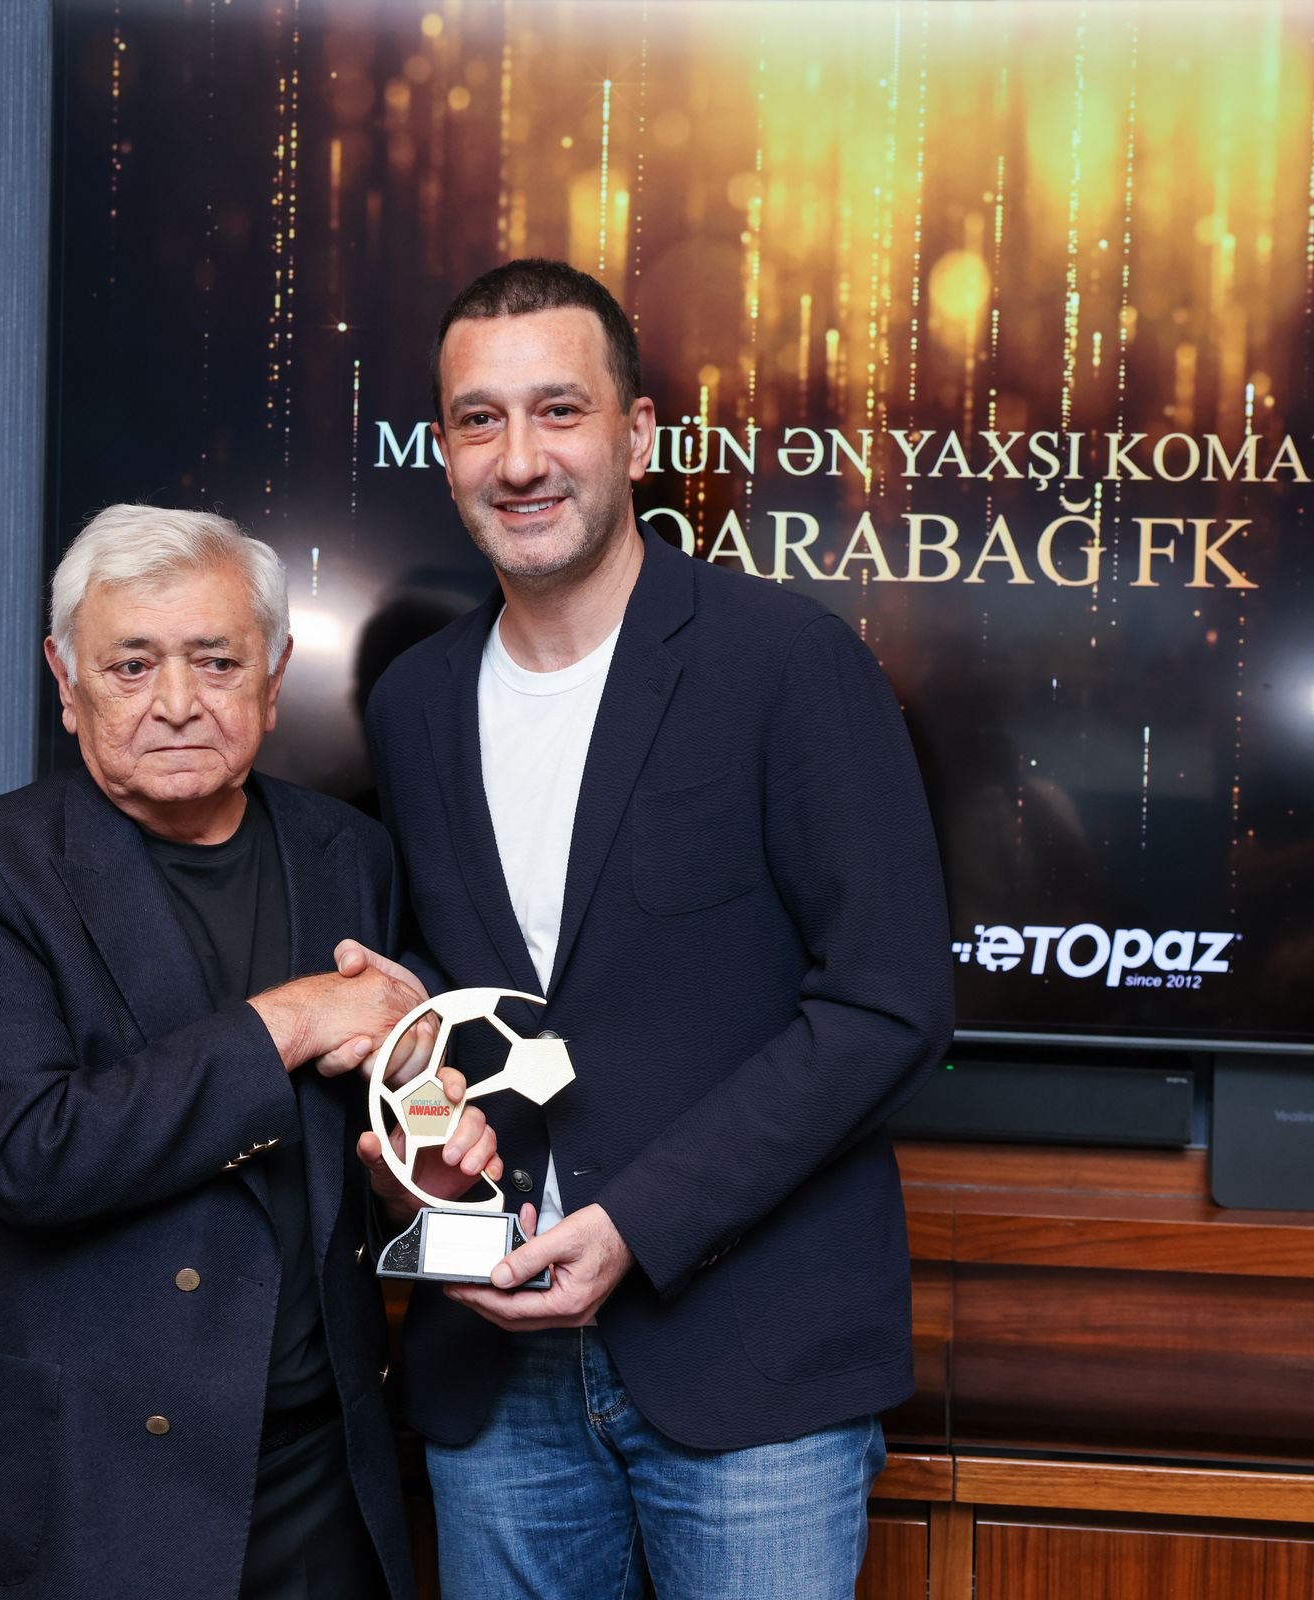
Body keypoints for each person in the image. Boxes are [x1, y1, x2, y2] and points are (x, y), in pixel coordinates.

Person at [361, 260, 954, 1599]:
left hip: (750, 1368)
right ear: (444, 452)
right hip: (494, 1370)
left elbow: (889, 1003)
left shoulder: (787, 662)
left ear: (636, 437)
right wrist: (419, 1127)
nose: (520, 459)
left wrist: (640, 1220)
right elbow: (469, 1003)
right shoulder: (413, 704)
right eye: (479, 420)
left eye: (559, 411)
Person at [0, 504, 501, 1600]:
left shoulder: (349, 855)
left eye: (217, 660)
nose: (179, 702)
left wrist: (410, 1175)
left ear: (274, 677)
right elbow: (32, 1155)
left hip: (313, 1477)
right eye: (132, 665)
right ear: (66, 681)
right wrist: (288, 1020)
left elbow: (371, 1120)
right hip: (75, 1485)